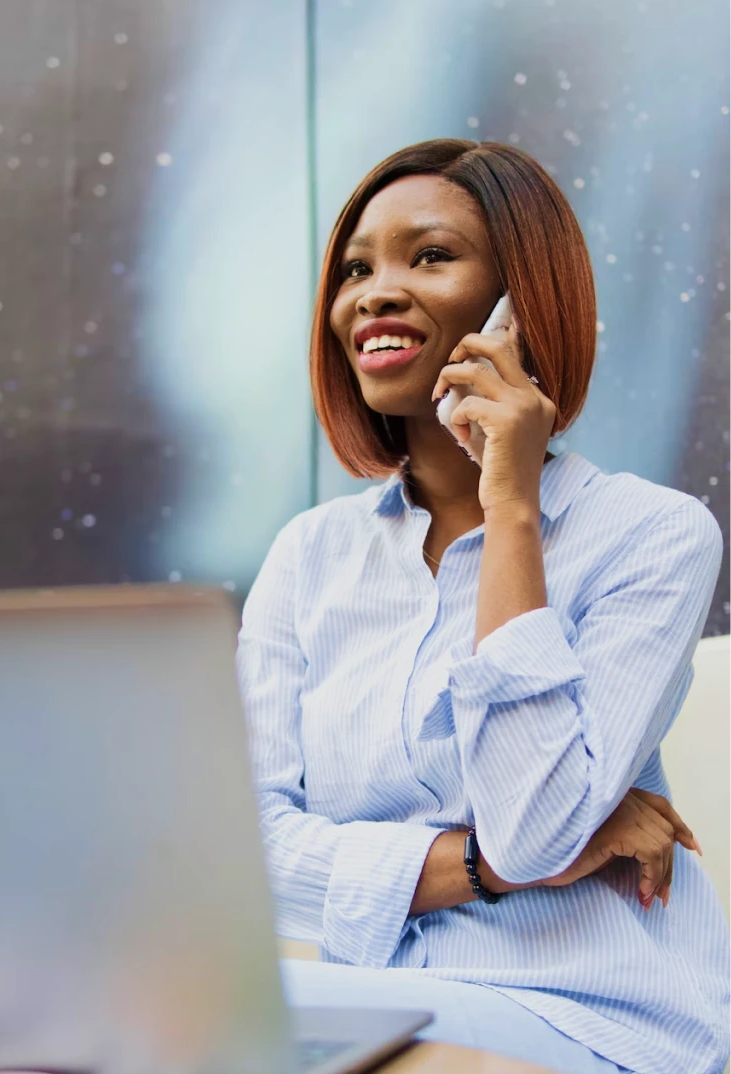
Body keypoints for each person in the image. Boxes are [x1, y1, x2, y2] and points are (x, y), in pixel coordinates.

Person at [236, 140, 731, 1074]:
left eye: (429, 256)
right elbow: (249, 854)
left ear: (521, 301)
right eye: (356, 269)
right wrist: (480, 867)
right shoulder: (309, 557)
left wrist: (510, 511)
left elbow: (537, 825)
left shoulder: (653, 534)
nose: (375, 292)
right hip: (378, 1005)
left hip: (595, 1016)